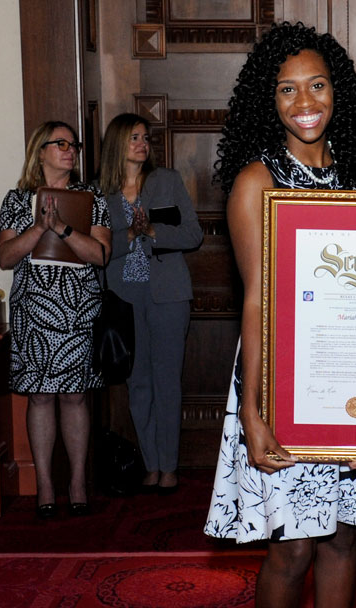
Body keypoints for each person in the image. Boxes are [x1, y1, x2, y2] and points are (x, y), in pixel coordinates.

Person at [202, 22, 356, 608]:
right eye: (287, 89)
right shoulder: (256, 181)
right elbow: (255, 303)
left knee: (342, 537)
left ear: (337, 90)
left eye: (317, 85)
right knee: (294, 545)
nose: (304, 102)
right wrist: (252, 410)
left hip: (355, 375)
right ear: (266, 100)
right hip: (284, 375)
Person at [0, 121, 111, 519]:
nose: (70, 150)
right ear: (39, 151)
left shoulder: (92, 197)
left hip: (77, 308)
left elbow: (100, 255)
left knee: (76, 395)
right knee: (41, 396)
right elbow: (6, 258)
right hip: (34, 310)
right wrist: (37, 228)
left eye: (73, 144)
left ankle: (78, 482)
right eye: (60, 144)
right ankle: (45, 484)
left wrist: (61, 227)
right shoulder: (16, 199)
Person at [99, 113, 203, 494]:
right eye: (134, 138)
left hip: (169, 294)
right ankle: (151, 463)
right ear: (117, 145)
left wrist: (155, 231)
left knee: (166, 381)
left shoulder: (167, 181)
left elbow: (193, 234)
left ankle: (170, 466)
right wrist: (128, 234)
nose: (143, 144)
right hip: (124, 297)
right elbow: (98, 250)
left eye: (146, 137)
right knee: (137, 382)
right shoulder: (100, 193)